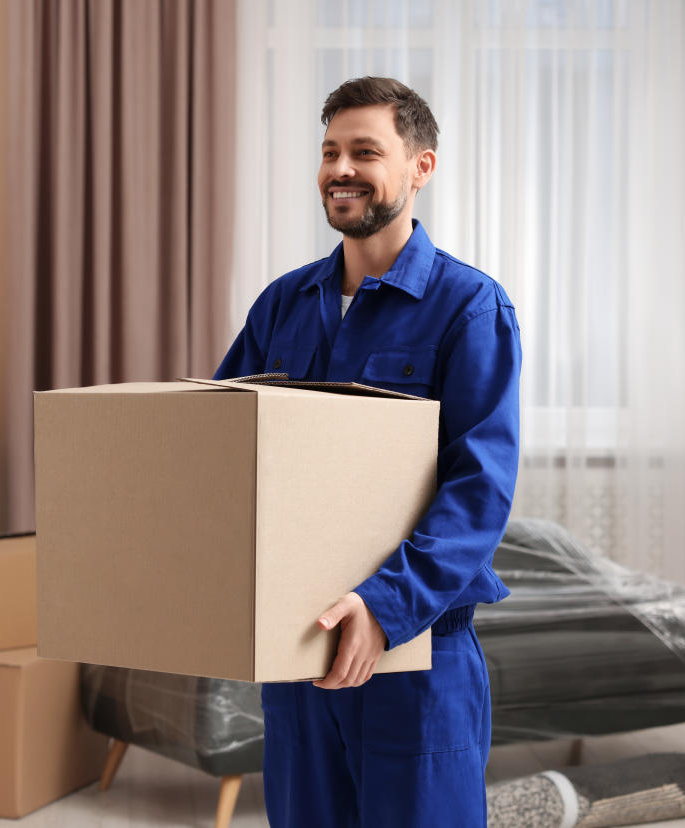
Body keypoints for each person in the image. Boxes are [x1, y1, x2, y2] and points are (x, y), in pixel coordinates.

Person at [215, 77, 521, 827]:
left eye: (363, 151)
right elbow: (218, 447)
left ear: (420, 167)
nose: (339, 168)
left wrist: (383, 608)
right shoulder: (282, 303)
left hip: (414, 651)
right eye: (328, 151)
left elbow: (476, 488)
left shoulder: (469, 306)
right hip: (299, 650)